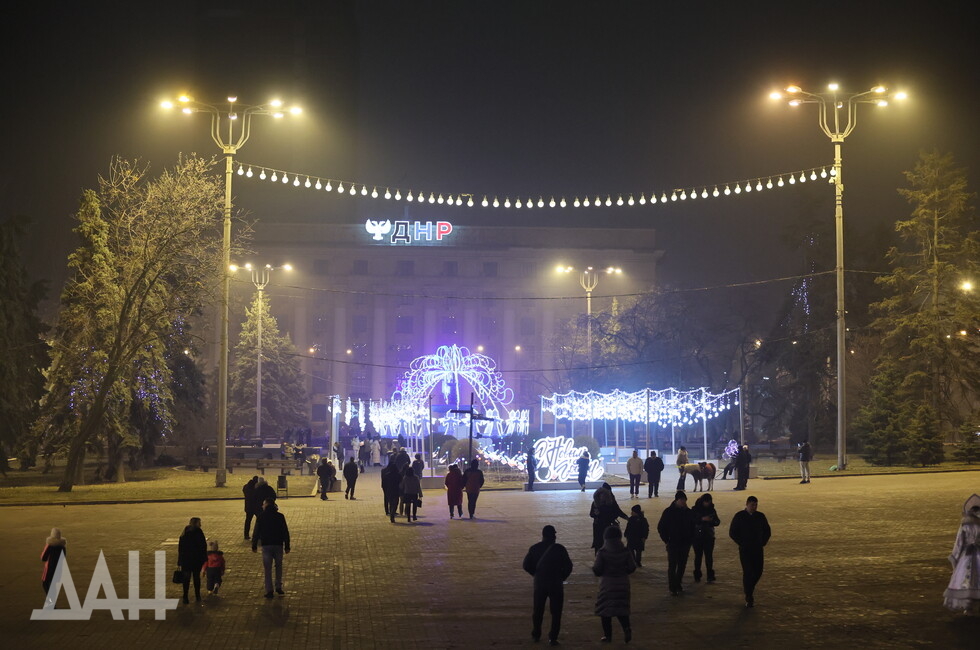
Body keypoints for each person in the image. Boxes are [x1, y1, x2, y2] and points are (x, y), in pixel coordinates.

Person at [523, 525, 574, 645]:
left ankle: (536, 634)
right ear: (554, 536)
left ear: (543, 535)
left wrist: (535, 574)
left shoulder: (534, 548)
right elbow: (569, 566)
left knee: (538, 610)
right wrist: (562, 577)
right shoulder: (560, 549)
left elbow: (526, 565)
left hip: (540, 583)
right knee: (556, 612)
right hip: (556, 583)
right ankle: (553, 637)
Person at [592, 525, 636, 643]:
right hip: (623, 584)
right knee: (622, 609)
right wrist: (623, 572)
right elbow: (632, 567)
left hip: (607, 585)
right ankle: (626, 628)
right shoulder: (625, 550)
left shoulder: (602, 552)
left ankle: (608, 636)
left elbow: (597, 569)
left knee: (605, 612)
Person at [729, 495, 771, 607]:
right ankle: (749, 595)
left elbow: (767, 530)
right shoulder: (739, 516)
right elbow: (732, 532)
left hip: (757, 548)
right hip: (745, 549)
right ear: (747, 504)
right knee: (747, 571)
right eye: (752, 504)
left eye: (756, 505)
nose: (754, 507)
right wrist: (741, 542)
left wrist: (763, 541)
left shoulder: (760, 516)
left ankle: (749, 588)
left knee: (758, 571)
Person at [943, 493, 980, 614]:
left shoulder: (965, 524)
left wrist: (955, 556)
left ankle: (968, 607)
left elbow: (959, 542)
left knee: (966, 580)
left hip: (967, 556)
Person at [657, 491, 696, 595]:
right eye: (681, 500)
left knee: (682, 565)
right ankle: (672, 587)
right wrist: (666, 540)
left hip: (685, 543)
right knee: (673, 565)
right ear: (676, 500)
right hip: (673, 543)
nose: (683, 502)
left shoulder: (688, 512)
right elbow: (661, 527)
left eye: (684, 500)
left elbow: (693, 526)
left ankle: (678, 583)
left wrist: (691, 539)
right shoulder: (668, 512)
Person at [252, 498, 291, 598]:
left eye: (263, 504)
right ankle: (278, 586)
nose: (262, 506)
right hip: (278, 544)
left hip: (266, 545)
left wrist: (254, 544)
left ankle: (269, 590)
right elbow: (285, 531)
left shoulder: (261, 517)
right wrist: (287, 545)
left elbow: (256, 531)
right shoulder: (280, 516)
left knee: (267, 568)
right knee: (279, 566)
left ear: (266, 505)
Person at [590, 483, 629, 554]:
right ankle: (599, 557)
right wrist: (596, 514)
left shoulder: (611, 502)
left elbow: (617, 511)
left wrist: (626, 517)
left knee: (608, 542)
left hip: (607, 525)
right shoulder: (595, 503)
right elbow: (591, 514)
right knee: (599, 543)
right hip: (599, 526)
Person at [692, 493, 720, 583]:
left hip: (709, 536)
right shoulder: (695, 509)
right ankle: (697, 575)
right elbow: (692, 521)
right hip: (697, 537)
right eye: (706, 502)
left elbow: (717, 521)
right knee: (698, 556)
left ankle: (710, 575)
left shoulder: (712, 509)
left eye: (709, 502)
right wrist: (702, 519)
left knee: (709, 557)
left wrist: (712, 521)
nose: (707, 504)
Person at [178, 517, 208, 604]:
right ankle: (197, 596)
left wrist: (180, 560)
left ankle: (185, 596)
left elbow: (180, 548)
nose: (201, 524)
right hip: (196, 560)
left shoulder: (184, 533)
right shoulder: (198, 532)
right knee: (196, 578)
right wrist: (204, 558)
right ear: (196, 523)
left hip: (186, 560)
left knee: (186, 579)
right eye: (199, 523)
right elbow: (203, 546)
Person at [40, 528, 67, 599]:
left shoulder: (49, 546)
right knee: (53, 585)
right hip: (58, 569)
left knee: (45, 584)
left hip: (49, 568)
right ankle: (52, 603)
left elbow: (43, 558)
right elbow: (63, 558)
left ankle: (51, 602)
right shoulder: (62, 547)